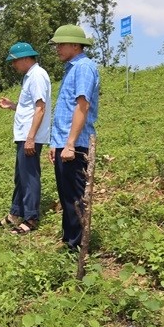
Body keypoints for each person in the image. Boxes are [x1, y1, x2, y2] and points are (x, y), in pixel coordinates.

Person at [48, 25, 100, 253]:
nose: (57, 48)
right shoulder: (71, 69)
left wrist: (69, 144)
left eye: (61, 44)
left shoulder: (84, 68)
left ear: (76, 45)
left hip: (75, 146)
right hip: (64, 144)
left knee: (75, 200)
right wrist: (56, 143)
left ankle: (76, 248)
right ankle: (69, 241)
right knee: (66, 196)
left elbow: (82, 105)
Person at [0, 43, 52, 235]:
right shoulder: (30, 77)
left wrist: (31, 138)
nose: (13, 66)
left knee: (29, 177)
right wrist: (13, 106)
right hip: (25, 135)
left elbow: (40, 108)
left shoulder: (37, 76)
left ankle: (31, 218)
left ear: (26, 58)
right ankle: (16, 213)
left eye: (14, 61)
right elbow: (29, 107)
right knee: (21, 176)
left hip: (30, 136)